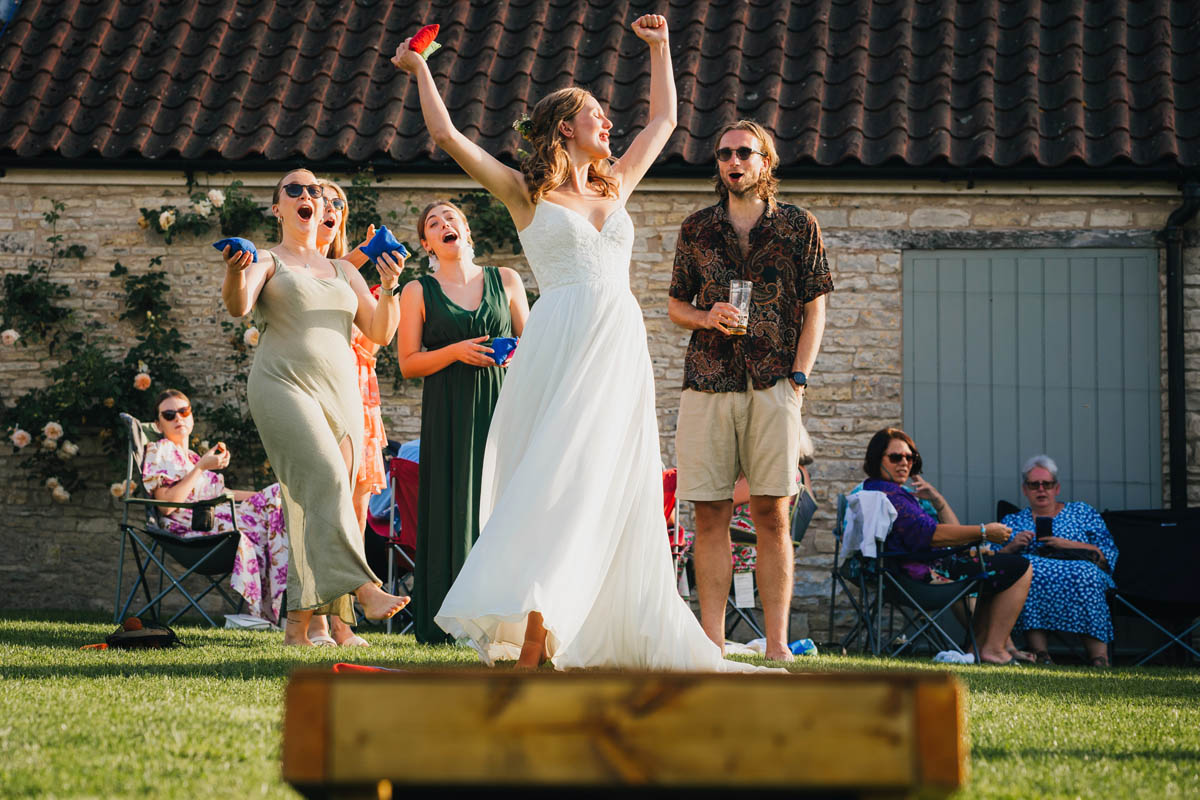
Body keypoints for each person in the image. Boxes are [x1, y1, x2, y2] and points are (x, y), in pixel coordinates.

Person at [392, 16, 772, 672]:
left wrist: (659, 48)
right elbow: (446, 135)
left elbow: (664, 120)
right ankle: (536, 618)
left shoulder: (615, 183)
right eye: (597, 114)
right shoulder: (524, 192)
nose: (609, 124)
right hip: (560, 344)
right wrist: (418, 68)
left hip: (617, 346)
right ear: (565, 126)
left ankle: (571, 623)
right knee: (555, 479)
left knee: (610, 483)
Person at [219, 168, 409, 646]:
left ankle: (297, 629)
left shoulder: (345, 270)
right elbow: (239, 305)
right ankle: (363, 587)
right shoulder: (266, 260)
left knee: (314, 503)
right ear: (277, 207)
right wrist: (234, 270)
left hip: (341, 393)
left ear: (326, 209)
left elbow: (382, 332)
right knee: (325, 478)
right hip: (283, 385)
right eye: (295, 190)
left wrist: (388, 288)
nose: (308, 196)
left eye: (316, 192)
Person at [667, 119, 833, 661]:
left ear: (765, 161)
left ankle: (778, 646)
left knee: (773, 513)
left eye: (744, 152)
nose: (732, 161)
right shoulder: (696, 230)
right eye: (723, 154)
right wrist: (705, 315)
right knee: (709, 514)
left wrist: (799, 380)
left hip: (775, 384)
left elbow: (815, 309)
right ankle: (712, 644)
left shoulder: (799, 227)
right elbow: (674, 307)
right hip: (708, 384)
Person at [395, 199, 529, 644]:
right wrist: (455, 352)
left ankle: (499, 619)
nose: (444, 224)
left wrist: (513, 358)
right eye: (434, 223)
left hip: (500, 406)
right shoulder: (417, 291)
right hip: (447, 411)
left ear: (466, 230)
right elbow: (409, 363)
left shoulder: (506, 279)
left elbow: (532, 348)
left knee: (499, 504)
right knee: (452, 505)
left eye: (451, 217)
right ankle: (447, 621)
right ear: (426, 243)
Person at [301, 178, 388, 647]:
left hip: (361, 395)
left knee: (355, 511)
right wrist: (363, 254)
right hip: (317, 391)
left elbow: (375, 342)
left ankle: (342, 623)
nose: (330, 207)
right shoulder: (298, 267)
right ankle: (313, 619)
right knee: (322, 507)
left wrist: (384, 282)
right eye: (322, 201)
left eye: (338, 203)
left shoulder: (354, 276)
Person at [861, 428, 1032, 665]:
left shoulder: (879, 490)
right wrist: (984, 532)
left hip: (901, 575)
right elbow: (932, 535)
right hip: (922, 578)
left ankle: (977, 647)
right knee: (1021, 567)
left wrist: (938, 500)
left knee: (991, 572)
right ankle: (993, 648)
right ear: (876, 458)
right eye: (895, 457)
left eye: (910, 458)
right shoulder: (893, 496)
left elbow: (953, 538)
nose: (904, 463)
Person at [142, 389, 288, 624]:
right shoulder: (160, 451)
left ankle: (278, 611)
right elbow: (166, 506)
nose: (178, 418)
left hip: (220, 519)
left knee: (279, 497)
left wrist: (267, 497)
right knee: (274, 526)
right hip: (194, 529)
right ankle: (279, 613)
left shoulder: (190, 456)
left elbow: (222, 495)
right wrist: (201, 467)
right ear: (158, 425)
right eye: (169, 415)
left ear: (191, 416)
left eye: (183, 411)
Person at [999, 455, 1118, 666]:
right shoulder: (1012, 521)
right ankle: (1041, 654)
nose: (1041, 489)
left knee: (1086, 573)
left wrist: (1067, 544)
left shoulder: (1081, 512)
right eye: (1034, 485)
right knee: (1028, 570)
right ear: (1025, 489)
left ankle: (1099, 658)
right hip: (1034, 574)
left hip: (1083, 572)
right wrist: (1012, 546)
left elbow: (1106, 554)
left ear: (1057, 488)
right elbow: (994, 561)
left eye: (1047, 484)